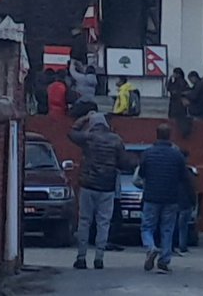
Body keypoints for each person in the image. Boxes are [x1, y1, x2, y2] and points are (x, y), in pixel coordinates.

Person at [67, 99, 126, 270]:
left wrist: (84, 118)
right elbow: (123, 163)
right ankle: (99, 258)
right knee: (103, 222)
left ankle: (81, 257)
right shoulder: (116, 140)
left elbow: (71, 133)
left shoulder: (88, 137)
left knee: (84, 221)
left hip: (88, 184)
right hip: (107, 187)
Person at [136, 122, 189, 274]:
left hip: (151, 196)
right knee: (167, 229)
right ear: (169, 136)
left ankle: (151, 247)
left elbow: (141, 174)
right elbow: (184, 177)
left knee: (147, 227)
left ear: (157, 135)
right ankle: (164, 260)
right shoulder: (177, 155)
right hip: (171, 197)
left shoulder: (148, 153)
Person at [171, 151, 199, 256]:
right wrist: (194, 201)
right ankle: (182, 247)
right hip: (186, 202)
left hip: (173, 200)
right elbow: (192, 188)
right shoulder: (188, 172)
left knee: (171, 225)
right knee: (183, 226)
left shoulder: (172, 170)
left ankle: (171, 246)